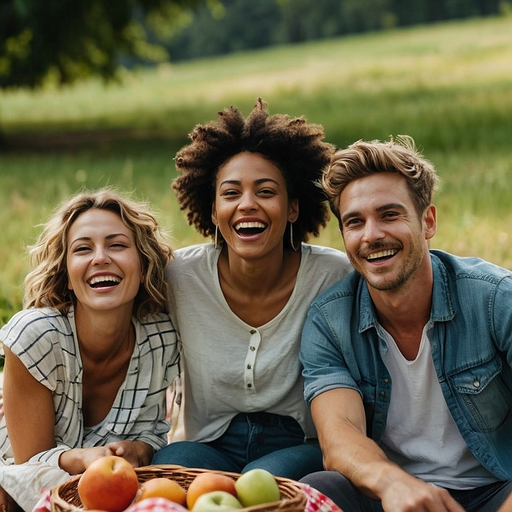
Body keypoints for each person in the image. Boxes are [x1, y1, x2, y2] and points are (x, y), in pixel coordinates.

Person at [298, 135, 512, 512]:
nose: (371, 235)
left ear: (427, 221)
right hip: (391, 497)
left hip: (496, 490)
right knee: (317, 488)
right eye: (354, 222)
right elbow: (338, 437)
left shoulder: (496, 299)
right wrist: (394, 485)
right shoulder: (329, 322)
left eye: (389, 214)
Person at [151, 98, 352, 480]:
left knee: (262, 483)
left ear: (293, 208)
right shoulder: (177, 276)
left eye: (265, 191)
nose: (247, 205)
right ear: (212, 211)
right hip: (208, 443)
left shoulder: (333, 276)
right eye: (230, 193)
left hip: (299, 444)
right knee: (169, 467)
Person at [0, 188, 180, 512]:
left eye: (117, 245)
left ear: (142, 267)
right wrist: (79, 458)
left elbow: (153, 436)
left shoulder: (161, 339)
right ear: (68, 276)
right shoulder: (35, 337)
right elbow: (25, 470)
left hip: (99, 484)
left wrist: (139, 450)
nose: (100, 257)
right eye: (83, 249)